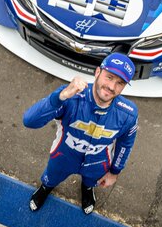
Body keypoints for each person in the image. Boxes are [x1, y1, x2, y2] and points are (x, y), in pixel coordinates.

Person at [23, 52, 139, 215]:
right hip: (63, 156)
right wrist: (60, 96)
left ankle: (87, 190)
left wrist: (114, 171)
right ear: (98, 72)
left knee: (91, 181)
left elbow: (126, 144)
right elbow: (30, 121)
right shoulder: (71, 96)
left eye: (120, 83)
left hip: (98, 162)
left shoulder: (128, 114)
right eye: (109, 77)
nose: (112, 87)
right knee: (50, 178)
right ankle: (45, 189)